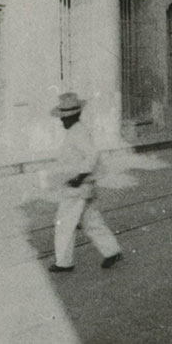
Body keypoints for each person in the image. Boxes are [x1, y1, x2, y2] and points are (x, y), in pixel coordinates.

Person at [48, 92, 123, 273]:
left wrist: (79, 177)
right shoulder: (77, 130)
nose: (62, 121)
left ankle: (64, 262)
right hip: (84, 186)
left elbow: (92, 154)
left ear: (74, 116)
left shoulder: (77, 132)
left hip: (78, 187)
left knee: (64, 223)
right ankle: (111, 250)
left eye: (64, 118)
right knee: (90, 220)